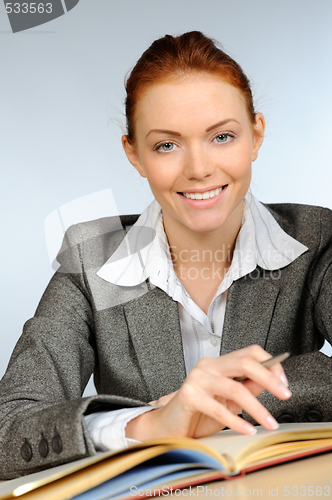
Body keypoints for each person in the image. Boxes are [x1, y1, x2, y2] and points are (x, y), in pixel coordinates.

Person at [1, 31, 332, 480]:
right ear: (134, 154)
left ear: (255, 136)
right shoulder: (90, 260)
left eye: (222, 136)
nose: (198, 169)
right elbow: (8, 430)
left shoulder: (317, 240)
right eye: (166, 145)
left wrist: (255, 390)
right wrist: (148, 423)